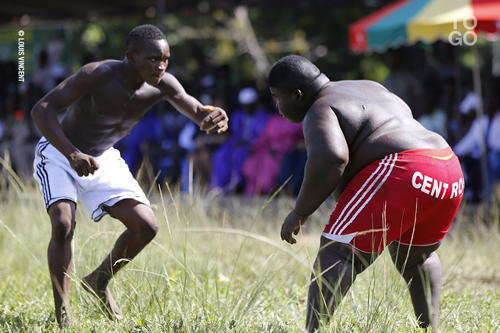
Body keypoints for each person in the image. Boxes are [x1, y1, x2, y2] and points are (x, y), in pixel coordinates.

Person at [31, 24, 228, 327]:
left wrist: (214, 117)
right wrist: (71, 153)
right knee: (62, 224)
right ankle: (63, 314)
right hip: (61, 153)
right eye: (152, 59)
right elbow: (42, 109)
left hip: (102, 157)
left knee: (146, 227)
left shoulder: (163, 85)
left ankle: (98, 281)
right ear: (130, 56)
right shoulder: (97, 74)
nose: (160, 66)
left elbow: (199, 112)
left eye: (165, 59)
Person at [268, 55, 463, 332]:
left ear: (297, 95)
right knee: (417, 258)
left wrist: (300, 211)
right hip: (447, 167)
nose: (277, 107)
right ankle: (431, 329)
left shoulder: (319, 109)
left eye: (278, 98)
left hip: (404, 167)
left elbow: (331, 158)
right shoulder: (368, 86)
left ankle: (311, 331)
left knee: (338, 252)